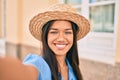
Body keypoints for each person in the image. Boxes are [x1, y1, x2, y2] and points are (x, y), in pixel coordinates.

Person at [0, 3, 90, 80]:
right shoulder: (38, 63)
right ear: (45, 35)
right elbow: (22, 72)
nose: (61, 38)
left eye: (67, 32)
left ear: (73, 36)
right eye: (54, 32)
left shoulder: (71, 65)